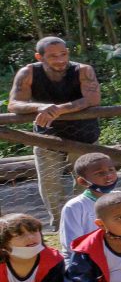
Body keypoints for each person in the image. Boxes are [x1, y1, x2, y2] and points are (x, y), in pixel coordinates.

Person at [7, 38, 101, 230]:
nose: (60, 60)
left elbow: (93, 99)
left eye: (63, 54)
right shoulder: (28, 73)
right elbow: (14, 104)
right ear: (39, 57)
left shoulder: (83, 70)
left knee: (87, 182)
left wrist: (58, 109)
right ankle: (61, 226)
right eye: (53, 56)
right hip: (46, 137)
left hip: (84, 136)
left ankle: (86, 224)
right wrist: (40, 107)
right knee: (50, 185)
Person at [59, 153, 121, 250]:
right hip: (89, 255)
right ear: (83, 181)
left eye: (111, 170)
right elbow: (72, 244)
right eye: (100, 173)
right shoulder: (75, 206)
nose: (108, 176)